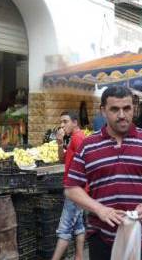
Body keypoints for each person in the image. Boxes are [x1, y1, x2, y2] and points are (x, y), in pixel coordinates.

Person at [65, 86, 142, 260]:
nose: (121, 115)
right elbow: (71, 188)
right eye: (114, 109)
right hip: (102, 239)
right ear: (103, 111)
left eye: (126, 108)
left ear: (133, 108)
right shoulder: (88, 146)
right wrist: (100, 209)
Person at [52, 111, 86, 260]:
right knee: (78, 226)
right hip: (77, 189)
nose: (62, 125)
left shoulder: (79, 138)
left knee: (64, 229)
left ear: (75, 122)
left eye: (65, 121)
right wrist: (60, 143)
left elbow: (87, 163)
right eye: (61, 122)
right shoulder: (73, 138)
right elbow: (62, 159)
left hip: (75, 189)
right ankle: (78, 257)